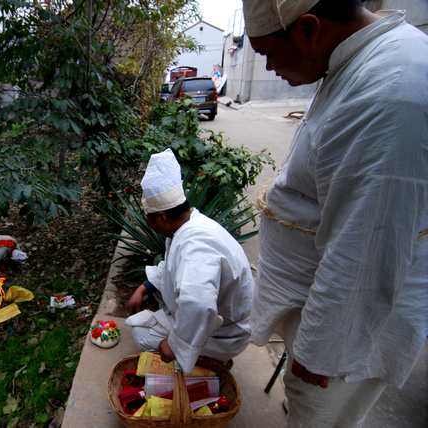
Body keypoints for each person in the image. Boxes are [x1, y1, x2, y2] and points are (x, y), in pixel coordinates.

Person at [241, 0, 428, 426]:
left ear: (308, 29)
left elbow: (365, 250)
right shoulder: (358, 63)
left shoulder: (389, 94)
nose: (269, 67)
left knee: (320, 413)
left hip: (344, 333)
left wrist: (318, 353)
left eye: (269, 52)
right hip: (323, 311)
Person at [125, 149, 254, 374]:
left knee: (142, 336)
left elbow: (198, 303)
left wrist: (175, 345)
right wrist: (145, 287)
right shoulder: (189, 224)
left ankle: (211, 360)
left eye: (150, 219)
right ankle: (200, 353)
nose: (150, 225)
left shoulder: (196, 245)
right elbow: (173, 266)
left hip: (224, 333)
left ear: (163, 217)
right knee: (138, 325)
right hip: (215, 321)